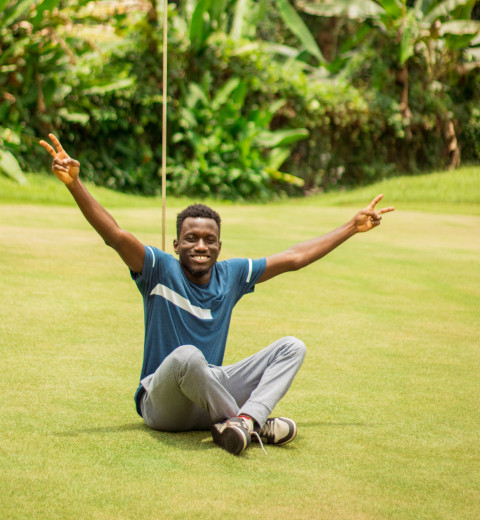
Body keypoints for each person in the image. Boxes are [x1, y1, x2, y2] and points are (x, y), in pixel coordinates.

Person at [40, 133, 394, 456]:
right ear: (176, 244)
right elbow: (115, 235)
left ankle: (243, 423)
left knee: (292, 347)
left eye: (209, 240)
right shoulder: (158, 268)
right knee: (187, 357)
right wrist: (75, 184)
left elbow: (294, 258)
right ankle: (251, 423)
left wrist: (352, 227)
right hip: (162, 404)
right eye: (191, 238)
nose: (200, 245)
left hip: (207, 395)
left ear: (219, 247)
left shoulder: (232, 274)